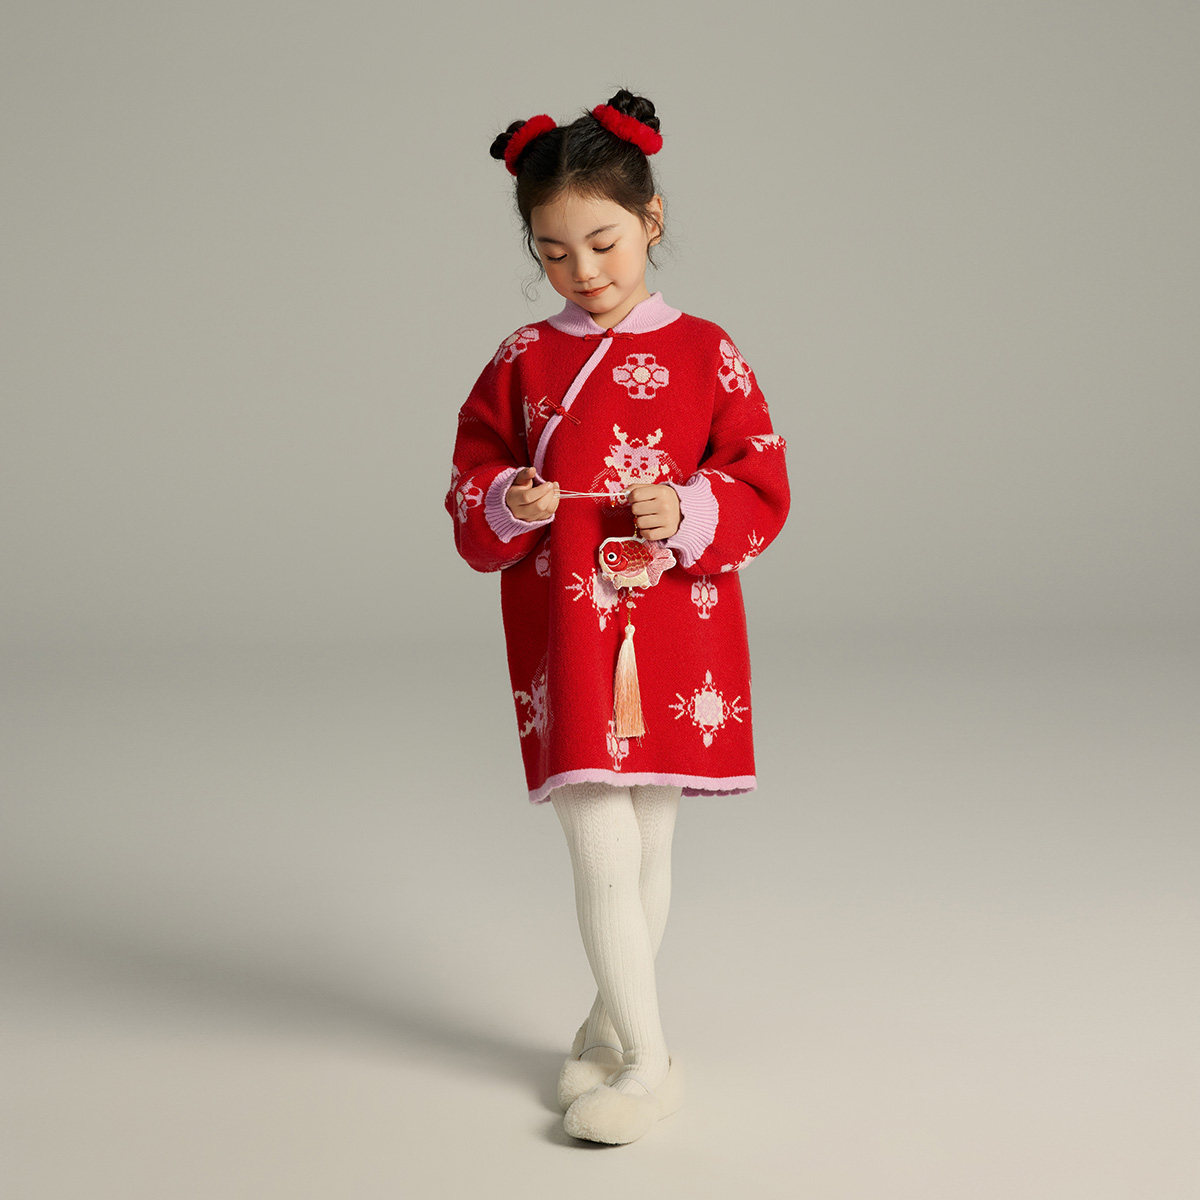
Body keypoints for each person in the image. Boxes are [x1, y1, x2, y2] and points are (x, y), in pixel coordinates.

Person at [443, 89, 790, 1144]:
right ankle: (649, 1061)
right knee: (599, 838)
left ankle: (606, 1029)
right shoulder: (521, 358)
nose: (583, 272)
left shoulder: (708, 350)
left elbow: (761, 482)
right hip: (572, 622)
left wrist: (687, 508)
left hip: (672, 617)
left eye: (602, 243)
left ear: (652, 218)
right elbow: (470, 482)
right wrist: (514, 499)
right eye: (552, 253)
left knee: (648, 842)